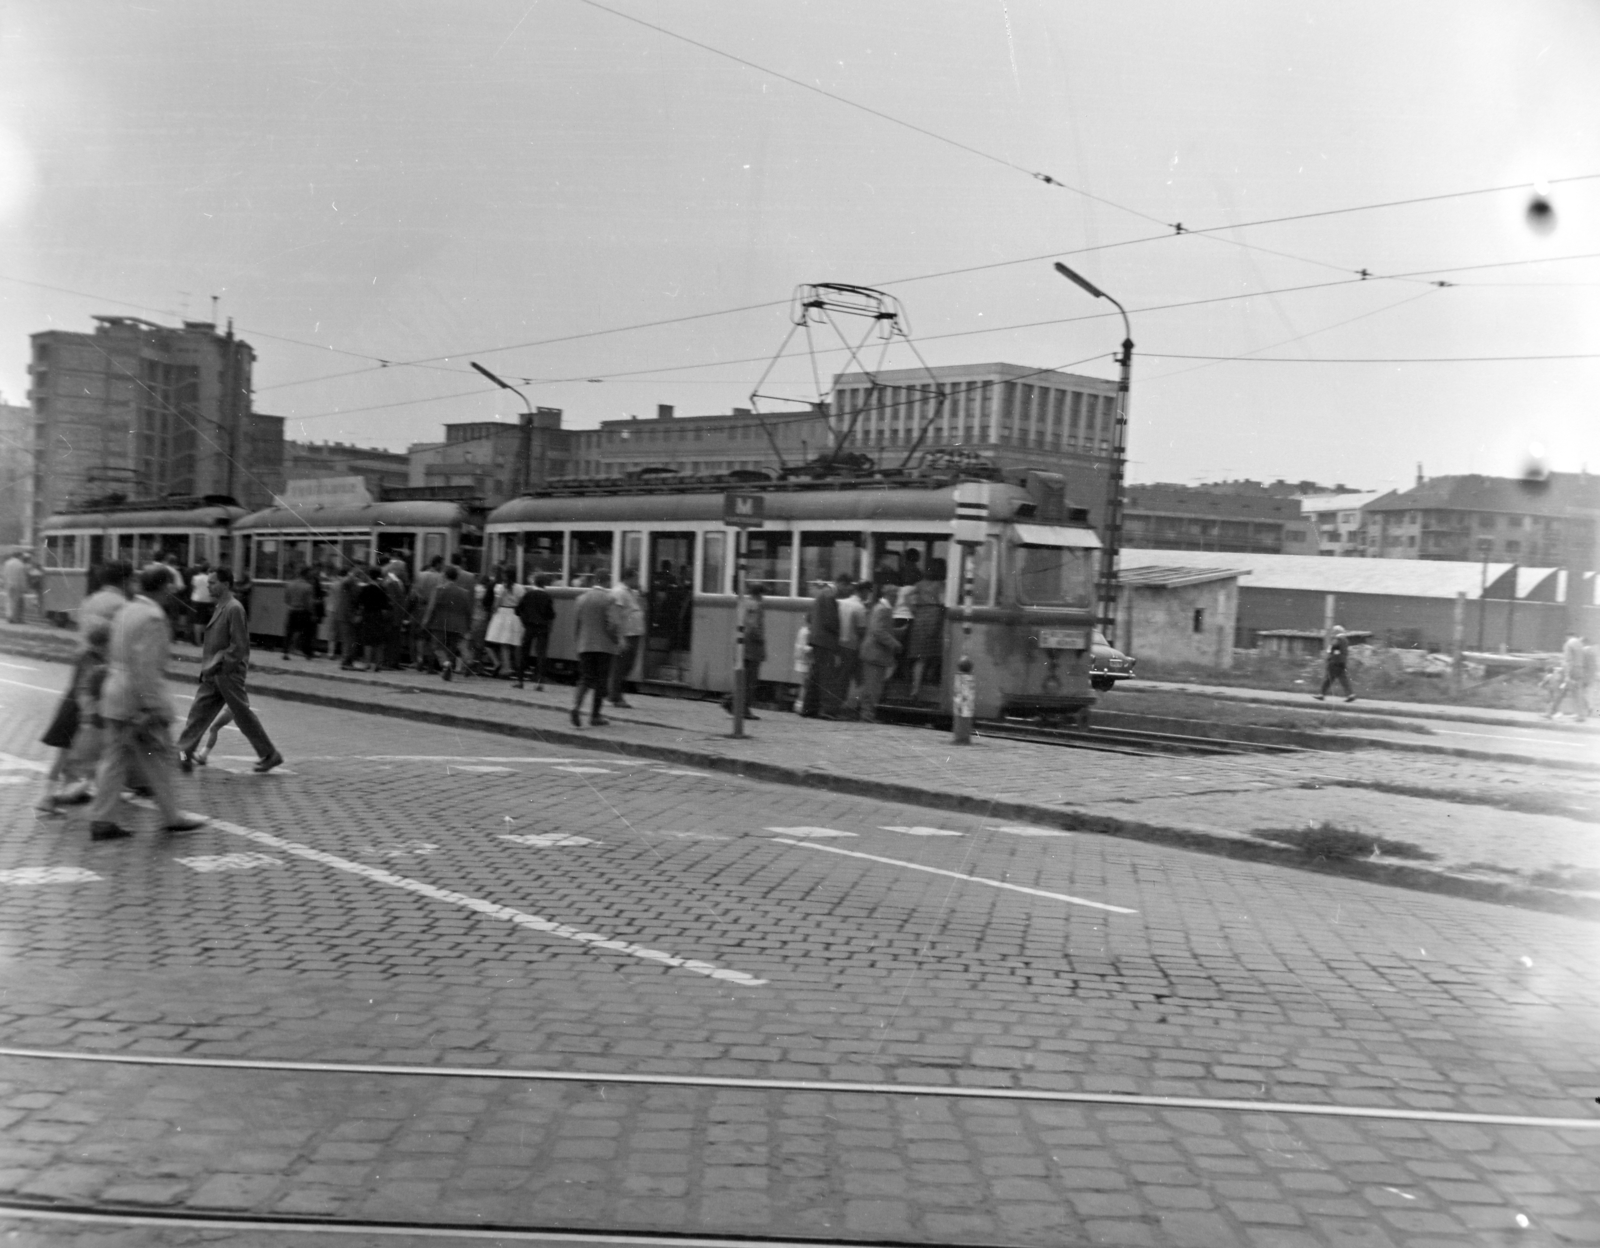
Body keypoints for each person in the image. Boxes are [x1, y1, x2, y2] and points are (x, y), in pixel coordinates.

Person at [85, 566, 208, 841]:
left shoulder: (127, 610)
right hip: (135, 698)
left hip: (114, 692)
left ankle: (102, 819)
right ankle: (172, 816)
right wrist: (151, 707)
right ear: (164, 589)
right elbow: (146, 668)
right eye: (171, 590)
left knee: (115, 757)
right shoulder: (153, 618)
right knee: (159, 756)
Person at [177, 567, 283, 773]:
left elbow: (240, 645)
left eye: (213, 582)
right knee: (198, 714)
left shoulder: (234, 608)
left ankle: (270, 755)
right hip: (214, 672)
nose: (209, 585)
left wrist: (222, 664)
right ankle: (183, 754)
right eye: (208, 582)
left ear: (226, 584)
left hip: (227, 673)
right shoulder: (221, 607)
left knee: (242, 715)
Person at [571, 569, 619, 727]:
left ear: (594, 580)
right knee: (600, 681)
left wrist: (578, 644)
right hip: (604, 646)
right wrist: (616, 640)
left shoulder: (581, 599)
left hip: (585, 645)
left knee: (585, 678)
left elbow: (577, 625)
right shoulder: (609, 599)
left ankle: (575, 707)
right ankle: (595, 716)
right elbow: (612, 625)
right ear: (606, 581)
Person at [802, 572, 853, 719]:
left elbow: (809, 617)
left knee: (816, 675)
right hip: (826, 641)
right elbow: (830, 622)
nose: (848, 590)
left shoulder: (822, 594)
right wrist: (839, 632)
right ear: (841, 583)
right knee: (826, 676)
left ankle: (808, 708)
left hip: (817, 639)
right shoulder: (830, 597)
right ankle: (826, 710)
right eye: (848, 586)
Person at [857, 582, 902, 722]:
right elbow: (878, 631)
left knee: (873, 685)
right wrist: (895, 643)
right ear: (889, 595)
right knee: (872, 686)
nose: (897, 599)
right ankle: (866, 715)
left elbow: (880, 629)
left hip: (875, 654)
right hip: (875, 654)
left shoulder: (881, 608)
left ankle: (868, 713)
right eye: (895, 596)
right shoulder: (883, 609)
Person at [421, 564, 474, 680]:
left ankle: (446, 664)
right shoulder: (464, 592)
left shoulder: (438, 590)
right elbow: (468, 611)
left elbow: (431, 607)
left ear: (445, 576)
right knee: (451, 648)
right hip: (457, 625)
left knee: (437, 646)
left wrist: (425, 621)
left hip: (439, 623)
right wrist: (468, 625)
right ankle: (449, 667)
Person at [905, 558, 947, 701]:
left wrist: (914, 611)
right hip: (935, 616)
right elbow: (943, 602)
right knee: (938, 652)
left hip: (920, 618)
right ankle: (930, 677)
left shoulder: (920, 584)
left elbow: (907, 596)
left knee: (920, 657)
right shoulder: (940, 585)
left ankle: (915, 689)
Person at [722, 583, 765, 720]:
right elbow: (753, 627)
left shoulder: (744, 603)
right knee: (749, 681)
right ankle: (739, 707)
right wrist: (760, 639)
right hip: (751, 648)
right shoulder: (756, 606)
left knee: (743, 680)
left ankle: (732, 703)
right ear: (759, 594)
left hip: (741, 645)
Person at [609, 568, 645, 707]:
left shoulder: (630, 592)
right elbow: (615, 615)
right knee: (621, 666)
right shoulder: (619, 592)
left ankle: (614, 694)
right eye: (636, 578)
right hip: (626, 634)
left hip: (634, 633)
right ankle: (616, 696)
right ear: (628, 578)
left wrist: (641, 594)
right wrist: (620, 636)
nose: (638, 581)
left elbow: (641, 608)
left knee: (628, 665)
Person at [514, 573, 556, 689]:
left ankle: (520, 681)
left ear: (534, 582)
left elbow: (518, 610)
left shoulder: (528, 594)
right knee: (541, 654)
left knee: (524, 653)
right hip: (542, 627)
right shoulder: (547, 596)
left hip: (529, 627)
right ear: (544, 584)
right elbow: (551, 614)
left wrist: (524, 620)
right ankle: (539, 683)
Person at [485, 567, 525, 677]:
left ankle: (506, 668)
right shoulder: (520, 588)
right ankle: (519, 668)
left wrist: (493, 611)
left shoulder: (500, 588)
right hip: (515, 614)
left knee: (504, 644)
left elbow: (495, 605)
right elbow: (522, 603)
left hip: (502, 614)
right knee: (516, 643)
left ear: (505, 575)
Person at [1544, 633, 1590, 722]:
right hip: (1579, 671)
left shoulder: (1568, 644)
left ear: (1568, 637)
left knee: (1560, 691)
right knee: (1577, 694)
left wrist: (1566, 675)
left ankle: (1550, 713)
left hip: (1570, 671)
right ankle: (1581, 715)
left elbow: (1568, 660)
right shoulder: (1580, 644)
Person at [837, 579, 867, 714]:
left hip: (839, 645)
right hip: (853, 647)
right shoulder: (860, 607)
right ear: (864, 592)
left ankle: (840, 704)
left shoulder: (842, 603)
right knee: (857, 678)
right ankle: (848, 706)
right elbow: (861, 631)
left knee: (842, 677)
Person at [353, 566, 390, 671]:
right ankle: (378, 663)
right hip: (378, 616)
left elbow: (357, 603)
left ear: (369, 575)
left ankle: (368, 662)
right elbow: (386, 606)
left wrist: (358, 614)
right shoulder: (382, 589)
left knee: (368, 640)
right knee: (378, 640)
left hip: (367, 615)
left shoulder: (365, 589)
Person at [282, 566, 317, 660]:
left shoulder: (290, 584)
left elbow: (286, 599)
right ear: (306, 575)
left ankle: (285, 652)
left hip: (292, 610)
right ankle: (307, 654)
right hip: (303, 612)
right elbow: (310, 603)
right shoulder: (308, 586)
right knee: (306, 633)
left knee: (289, 632)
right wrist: (313, 614)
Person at [1315, 625, 1355, 702]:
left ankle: (1321, 694)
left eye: (1334, 631)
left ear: (1337, 631)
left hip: (1335, 662)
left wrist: (1330, 655)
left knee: (1328, 679)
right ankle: (1350, 694)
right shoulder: (1345, 640)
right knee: (1343, 679)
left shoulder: (1338, 639)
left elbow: (1334, 649)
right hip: (1342, 662)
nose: (1333, 633)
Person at [5, 550, 30, 623]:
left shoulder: (7, 563)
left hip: (9, 584)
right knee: (17, 602)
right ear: (19, 556)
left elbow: (5, 575)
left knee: (9, 601)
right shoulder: (20, 564)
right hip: (17, 585)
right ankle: (16, 619)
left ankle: (9, 617)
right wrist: (24, 587)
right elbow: (22, 577)